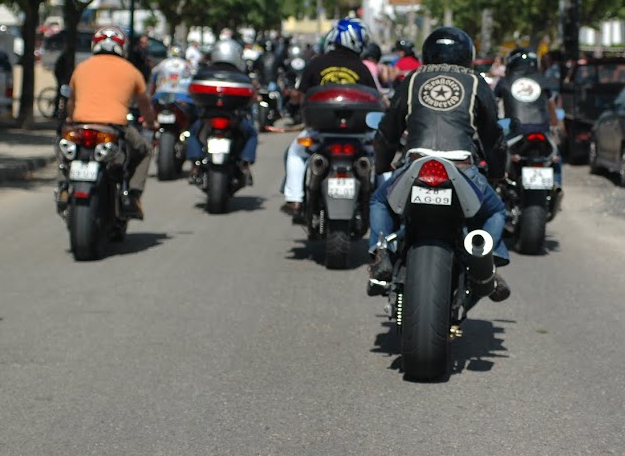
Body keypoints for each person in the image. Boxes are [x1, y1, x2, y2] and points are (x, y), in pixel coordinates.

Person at [367, 26, 510, 302]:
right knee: (496, 212)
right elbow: (493, 137)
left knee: (379, 202)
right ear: (468, 54)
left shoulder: (413, 79)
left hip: (416, 163)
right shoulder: (476, 81)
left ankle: (381, 252)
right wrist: (497, 173)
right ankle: (486, 261)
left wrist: (383, 165)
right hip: (463, 166)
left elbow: (387, 132)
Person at [279, 18, 378, 216]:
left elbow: (299, 96)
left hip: (320, 132)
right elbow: (376, 101)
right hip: (357, 134)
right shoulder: (362, 68)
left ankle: (295, 199)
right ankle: (381, 204)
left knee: (295, 153)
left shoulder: (316, 64)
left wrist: (293, 103)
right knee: (381, 159)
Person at [64, 26, 156, 219]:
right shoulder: (131, 71)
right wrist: (151, 123)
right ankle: (132, 195)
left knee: (63, 152)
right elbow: (144, 103)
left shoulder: (81, 68)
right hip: (115, 127)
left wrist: (71, 119)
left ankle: (63, 188)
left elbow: (71, 101)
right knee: (146, 150)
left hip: (81, 126)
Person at [186, 39, 258, 182]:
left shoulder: (204, 73)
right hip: (233, 118)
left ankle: (195, 165)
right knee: (251, 134)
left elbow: (191, 92)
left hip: (207, 118)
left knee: (192, 133)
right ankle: (245, 163)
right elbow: (251, 97)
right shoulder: (242, 76)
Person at [494, 46, 564, 189]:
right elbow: (551, 105)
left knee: (499, 153)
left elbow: (492, 105)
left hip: (516, 130)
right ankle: (557, 184)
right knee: (555, 158)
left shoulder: (504, 81)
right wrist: (555, 123)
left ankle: (501, 179)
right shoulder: (542, 80)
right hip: (542, 130)